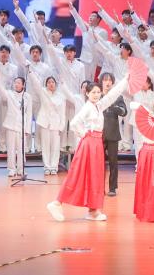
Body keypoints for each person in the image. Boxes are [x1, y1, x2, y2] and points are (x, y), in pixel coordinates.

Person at [47, 71, 130, 222]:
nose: (97, 95)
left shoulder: (98, 105)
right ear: (87, 93)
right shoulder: (88, 107)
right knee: (78, 174)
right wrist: (85, 133)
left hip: (96, 143)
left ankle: (93, 210)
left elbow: (112, 96)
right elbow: (74, 123)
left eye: (98, 92)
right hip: (89, 143)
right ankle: (57, 203)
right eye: (93, 92)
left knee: (96, 176)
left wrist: (125, 80)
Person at [28, 72, 67, 175]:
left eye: (52, 82)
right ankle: (47, 166)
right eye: (49, 82)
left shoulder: (61, 96)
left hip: (56, 124)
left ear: (55, 84)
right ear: (46, 84)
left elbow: (62, 113)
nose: (51, 84)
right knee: (45, 146)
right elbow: (36, 83)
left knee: (55, 147)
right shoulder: (43, 92)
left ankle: (54, 166)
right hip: (44, 123)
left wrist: (61, 126)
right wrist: (30, 72)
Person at [99, 72, 128, 196]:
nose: (107, 82)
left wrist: (113, 106)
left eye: (110, 80)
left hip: (113, 133)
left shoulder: (118, 97)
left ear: (113, 82)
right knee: (98, 163)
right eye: (105, 80)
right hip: (99, 133)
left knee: (113, 162)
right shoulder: (96, 95)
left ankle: (112, 188)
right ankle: (99, 187)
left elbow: (124, 112)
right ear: (101, 82)